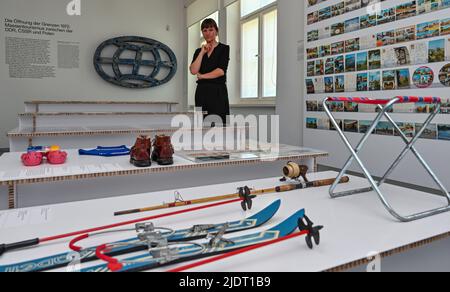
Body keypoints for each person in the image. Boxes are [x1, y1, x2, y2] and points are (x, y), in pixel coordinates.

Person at [190, 18, 230, 125]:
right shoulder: (198, 51)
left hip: (218, 92)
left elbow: (220, 71)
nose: (208, 33)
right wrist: (202, 52)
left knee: (219, 125)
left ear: (216, 31)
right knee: (201, 125)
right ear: (202, 33)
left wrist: (202, 76)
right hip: (201, 93)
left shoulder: (224, 49)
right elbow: (193, 70)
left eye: (211, 29)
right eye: (205, 30)